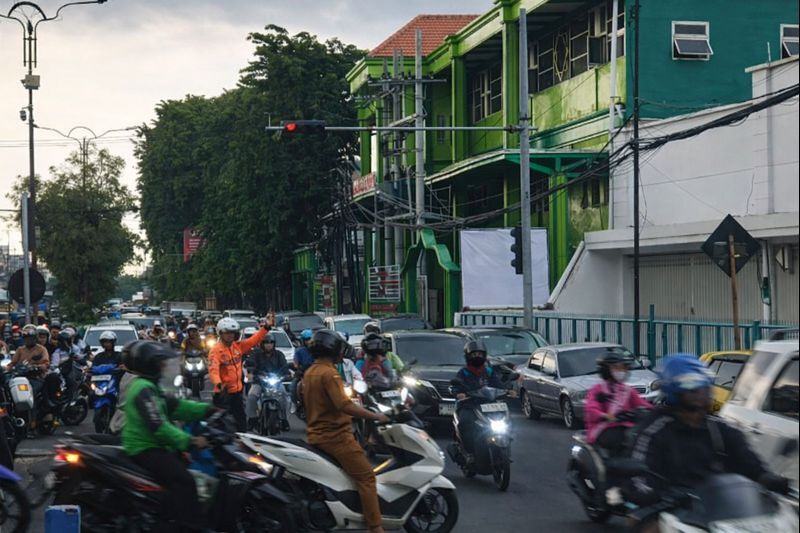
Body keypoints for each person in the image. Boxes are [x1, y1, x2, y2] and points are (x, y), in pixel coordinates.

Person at [628, 355, 791, 511]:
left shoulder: (720, 430)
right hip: (672, 513)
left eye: (703, 385)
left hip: (719, 512)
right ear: (674, 389)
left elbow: (749, 463)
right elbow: (639, 476)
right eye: (692, 386)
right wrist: (647, 495)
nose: (700, 392)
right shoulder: (654, 430)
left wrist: (768, 478)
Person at [122, 341, 214, 533]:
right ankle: (190, 527)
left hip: (156, 445)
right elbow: (159, 426)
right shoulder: (142, 389)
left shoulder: (152, 386)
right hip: (145, 448)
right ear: (150, 364)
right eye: (160, 363)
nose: (164, 366)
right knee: (185, 481)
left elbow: (177, 407)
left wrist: (208, 410)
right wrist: (190, 441)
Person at [304, 329, 390, 533]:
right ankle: (375, 527)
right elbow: (344, 405)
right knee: (367, 477)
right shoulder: (330, 373)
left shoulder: (311, 372)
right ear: (332, 349)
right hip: (336, 437)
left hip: (316, 435)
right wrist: (374, 416)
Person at [208, 315, 273, 432]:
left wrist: (266, 327)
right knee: (221, 426)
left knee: (241, 424)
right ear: (220, 334)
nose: (230, 335)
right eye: (227, 333)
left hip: (237, 393)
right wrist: (218, 384)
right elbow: (214, 370)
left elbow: (254, 340)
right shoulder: (215, 351)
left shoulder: (238, 347)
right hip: (223, 395)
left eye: (232, 333)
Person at [451, 340, 509, 462]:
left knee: (507, 421)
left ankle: (505, 441)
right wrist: (459, 393)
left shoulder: (489, 371)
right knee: (464, 423)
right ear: (468, 356)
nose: (477, 357)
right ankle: (469, 453)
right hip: (469, 405)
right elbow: (456, 385)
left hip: (489, 404)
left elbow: (498, 384)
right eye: (474, 354)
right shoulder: (464, 372)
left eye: (480, 354)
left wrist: (507, 390)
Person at [584, 349, 652, 450]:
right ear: (606, 370)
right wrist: (606, 416)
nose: (621, 371)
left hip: (626, 428)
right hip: (603, 429)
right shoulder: (597, 390)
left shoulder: (628, 390)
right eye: (617, 368)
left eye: (623, 368)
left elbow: (642, 405)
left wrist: (659, 411)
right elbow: (591, 410)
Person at [245, 332, 291, 431]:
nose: (268, 344)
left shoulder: (279, 355)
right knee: (251, 396)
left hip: (276, 382)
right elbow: (250, 364)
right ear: (262, 344)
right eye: (266, 342)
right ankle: (252, 419)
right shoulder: (256, 354)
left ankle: (284, 420)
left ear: (274, 344)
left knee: (284, 396)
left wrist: (287, 374)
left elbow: (284, 367)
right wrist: (253, 372)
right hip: (260, 382)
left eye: (271, 342)